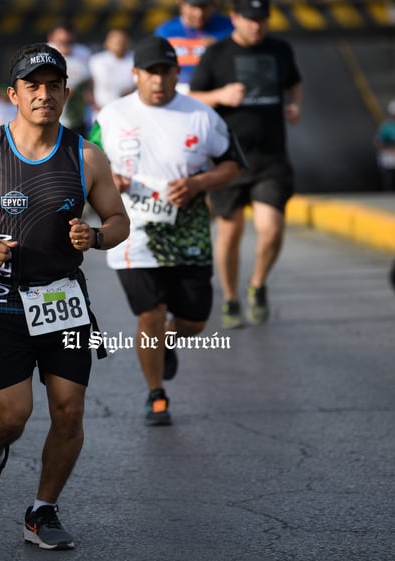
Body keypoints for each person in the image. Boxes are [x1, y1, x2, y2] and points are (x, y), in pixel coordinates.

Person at [0, 43, 130, 550]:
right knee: (13, 414)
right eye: (33, 87)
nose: (44, 95)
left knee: (69, 410)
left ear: (67, 92)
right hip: (2, 296)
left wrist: (97, 236)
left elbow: (118, 220)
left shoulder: (86, 156)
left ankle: (42, 511)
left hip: (64, 297)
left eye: (54, 86)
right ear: (13, 95)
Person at [88, 36, 244, 425]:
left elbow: (233, 165)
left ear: (177, 73)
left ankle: (168, 341)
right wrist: (109, 180)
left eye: (166, 72)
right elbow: (86, 164)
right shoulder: (112, 116)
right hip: (132, 233)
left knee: (194, 321)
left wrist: (198, 184)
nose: (159, 80)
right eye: (151, 72)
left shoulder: (202, 115)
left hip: (187, 232)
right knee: (151, 313)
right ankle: (156, 394)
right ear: (136, 74)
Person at [189, 0, 303, 328]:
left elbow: (295, 83)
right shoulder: (217, 53)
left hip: (271, 156)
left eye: (262, 19)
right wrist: (220, 96)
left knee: (271, 229)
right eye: (250, 19)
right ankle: (230, 298)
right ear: (235, 18)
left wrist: (295, 106)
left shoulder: (280, 49)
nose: (257, 26)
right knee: (231, 231)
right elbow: (194, 95)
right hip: (229, 159)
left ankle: (257, 285)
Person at [155, 0, 233, 93]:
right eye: (193, 6)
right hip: (177, 91)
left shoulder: (229, 27)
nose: (199, 13)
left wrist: (219, 50)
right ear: (181, 4)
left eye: (204, 6)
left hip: (217, 90)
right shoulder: (165, 32)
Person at [47, 21, 93, 135]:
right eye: (62, 42)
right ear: (51, 38)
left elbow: (89, 81)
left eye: (69, 42)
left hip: (77, 119)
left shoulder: (83, 53)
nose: (66, 45)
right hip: (52, 117)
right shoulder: (43, 54)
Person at [88, 28, 134, 117]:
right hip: (102, 112)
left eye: (122, 41)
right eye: (116, 41)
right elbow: (88, 86)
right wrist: (93, 103)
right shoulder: (96, 61)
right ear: (107, 43)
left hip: (128, 112)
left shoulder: (135, 60)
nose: (119, 44)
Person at [373, 99, 395, 191]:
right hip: (389, 155)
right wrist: (389, 149)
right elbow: (378, 142)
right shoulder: (386, 126)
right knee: (389, 177)